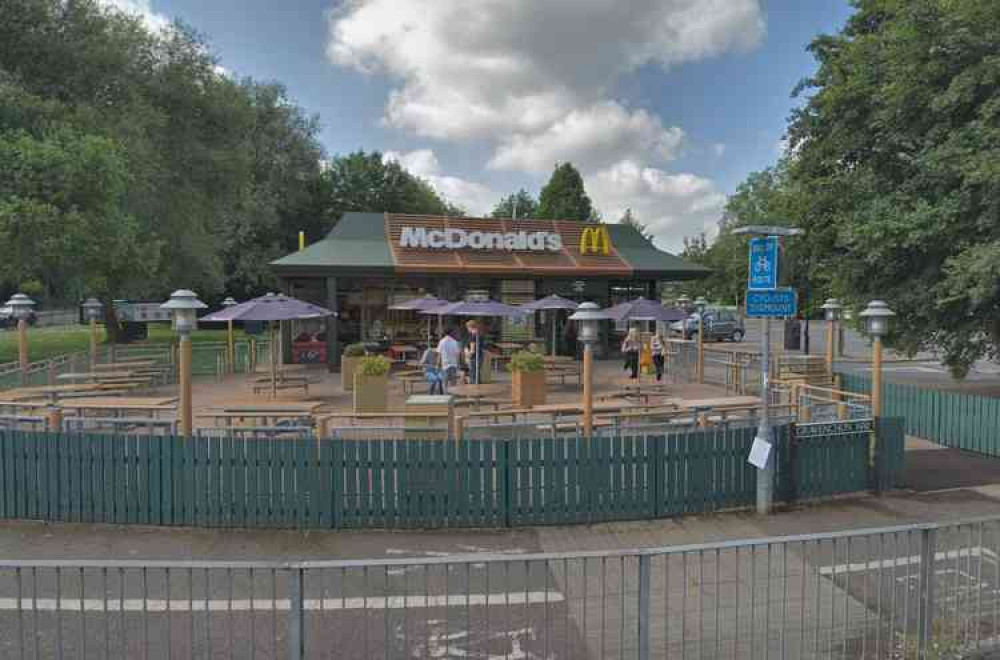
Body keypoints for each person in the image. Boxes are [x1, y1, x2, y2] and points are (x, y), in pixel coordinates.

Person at [436, 328, 461, 392]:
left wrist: (437, 364)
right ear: (451, 333)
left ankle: (446, 396)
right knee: (453, 383)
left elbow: (439, 354)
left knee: (445, 383)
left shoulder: (441, 341)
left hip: (445, 365)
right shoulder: (455, 342)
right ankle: (453, 396)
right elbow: (457, 354)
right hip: (453, 364)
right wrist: (458, 365)